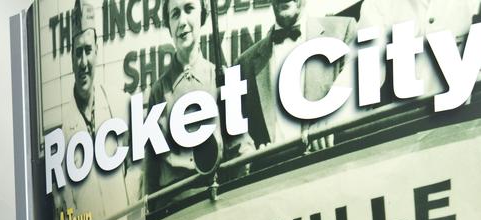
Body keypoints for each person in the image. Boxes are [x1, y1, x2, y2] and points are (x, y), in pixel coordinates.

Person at [142, 0, 239, 196]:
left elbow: (239, 149)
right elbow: (151, 173)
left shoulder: (222, 78)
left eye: (189, 9)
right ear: (168, 24)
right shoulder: (158, 92)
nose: (182, 21)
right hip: (173, 210)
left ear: (202, 14)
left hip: (216, 202)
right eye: (175, 14)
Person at [235, 0, 356, 151]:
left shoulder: (342, 31)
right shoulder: (244, 64)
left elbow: (361, 87)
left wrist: (333, 118)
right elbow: (237, 135)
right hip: (278, 171)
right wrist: (250, 153)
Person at [54, 0, 133, 220]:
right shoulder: (62, 134)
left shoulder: (119, 104)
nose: (83, 62)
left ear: (96, 49)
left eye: (88, 50)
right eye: (78, 52)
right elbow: (63, 205)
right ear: (70, 57)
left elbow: (136, 169)